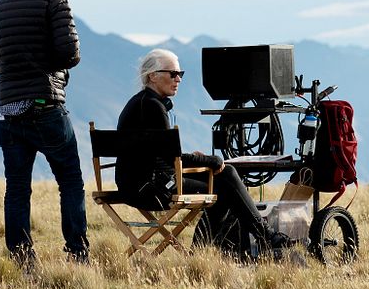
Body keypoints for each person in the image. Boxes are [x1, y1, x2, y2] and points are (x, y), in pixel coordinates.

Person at [115, 49, 295, 259]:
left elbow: (164, 154)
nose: (178, 79)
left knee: (226, 175)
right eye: (172, 73)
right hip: (150, 187)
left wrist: (205, 161)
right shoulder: (152, 107)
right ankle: (212, 251)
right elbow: (174, 158)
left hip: (146, 181)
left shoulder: (142, 102)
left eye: (180, 73)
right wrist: (210, 160)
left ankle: (264, 237)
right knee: (224, 190)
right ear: (152, 76)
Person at [0, 0, 89, 268]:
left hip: (9, 110)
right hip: (46, 105)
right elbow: (71, 54)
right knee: (70, 180)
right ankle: (77, 254)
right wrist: (45, 63)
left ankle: (22, 259)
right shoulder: (55, 2)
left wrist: (18, 62)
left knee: (17, 187)